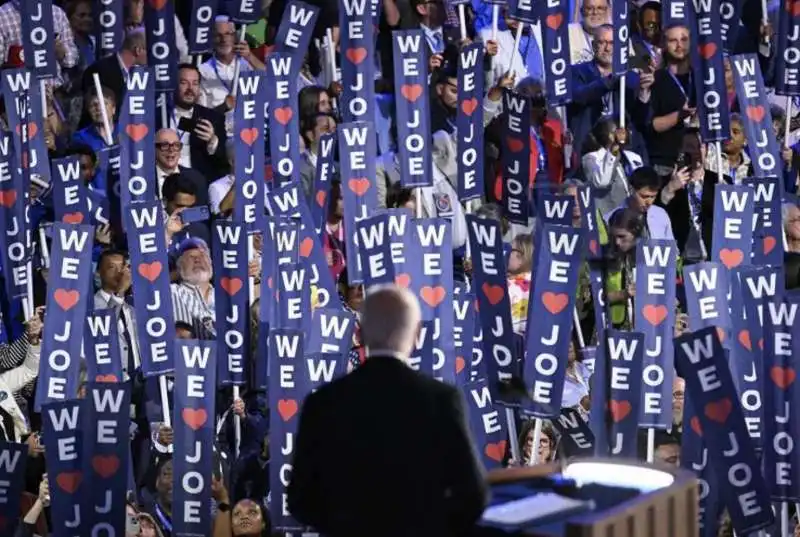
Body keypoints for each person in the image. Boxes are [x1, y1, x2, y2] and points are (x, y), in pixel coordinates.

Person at [289, 286, 489, 537]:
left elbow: (300, 499)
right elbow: (473, 495)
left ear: (360, 332)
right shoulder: (442, 400)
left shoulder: (323, 403)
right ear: (416, 334)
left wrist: (342, 524)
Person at [647, 24, 696, 176]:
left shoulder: (701, 77)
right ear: (664, 44)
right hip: (664, 163)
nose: (679, 45)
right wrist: (681, 114)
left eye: (684, 39)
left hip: (698, 160)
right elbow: (652, 125)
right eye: (673, 40)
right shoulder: (656, 79)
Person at [171, 64, 229, 182]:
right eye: (184, 82)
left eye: (195, 83)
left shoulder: (213, 118)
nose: (190, 89)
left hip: (199, 184)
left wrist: (213, 142)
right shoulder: (158, 115)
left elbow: (224, 162)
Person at [582, 116, 643, 216]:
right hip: (609, 219)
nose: (627, 133)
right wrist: (613, 149)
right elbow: (602, 182)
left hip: (634, 216)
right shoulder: (591, 158)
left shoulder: (634, 157)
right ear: (610, 135)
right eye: (620, 130)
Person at [607, 166, 675, 241]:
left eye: (653, 197)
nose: (649, 202)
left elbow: (671, 249)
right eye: (644, 196)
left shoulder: (661, 215)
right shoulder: (611, 219)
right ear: (631, 190)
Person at [568, 0, 610, 64]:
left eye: (600, 8)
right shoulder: (566, 33)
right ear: (581, 11)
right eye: (589, 8)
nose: (595, 12)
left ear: (607, 11)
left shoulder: (618, 34)